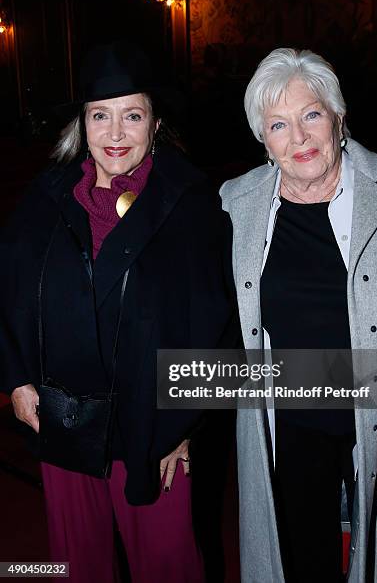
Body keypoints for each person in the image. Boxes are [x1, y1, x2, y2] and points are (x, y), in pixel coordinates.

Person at [0, 41, 237, 583]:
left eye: (131, 116)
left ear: (155, 124)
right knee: (76, 565)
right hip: (60, 419)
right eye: (99, 116)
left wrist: (181, 426)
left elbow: (217, 321)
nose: (114, 134)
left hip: (149, 428)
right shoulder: (47, 196)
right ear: (81, 124)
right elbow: (8, 288)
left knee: (168, 566)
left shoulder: (191, 204)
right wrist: (16, 381)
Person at [220, 48, 377, 582]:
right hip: (294, 418)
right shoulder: (236, 203)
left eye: (311, 115)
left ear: (338, 117)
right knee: (302, 561)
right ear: (262, 137)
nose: (299, 138)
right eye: (279, 124)